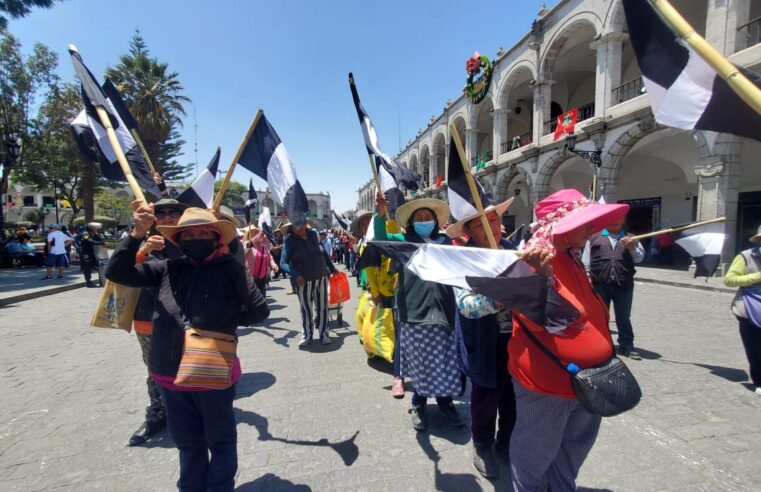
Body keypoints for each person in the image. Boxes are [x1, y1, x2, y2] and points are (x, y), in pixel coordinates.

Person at [106, 204, 270, 491]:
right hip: (169, 375)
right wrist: (136, 233)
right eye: (189, 233)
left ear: (216, 238)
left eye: (204, 232)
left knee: (220, 440)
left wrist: (223, 323)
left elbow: (258, 310)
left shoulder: (230, 267)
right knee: (188, 443)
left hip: (214, 372)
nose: (197, 237)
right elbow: (117, 272)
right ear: (179, 240)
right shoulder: (167, 269)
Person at [509, 189, 629, 491]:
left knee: (572, 450)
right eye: (583, 223)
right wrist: (535, 282)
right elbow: (540, 322)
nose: (591, 230)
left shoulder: (571, 258)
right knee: (534, 454)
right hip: (550, 384)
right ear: (559, 224)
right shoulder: (532, 262)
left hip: (588, 382)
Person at [374, 192, 463, 431]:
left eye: (428, 217)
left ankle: (446, 403)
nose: (424, 220)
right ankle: (419, 403)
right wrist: (380, 215)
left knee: (445, 361)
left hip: (444, 311)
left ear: (435, 221)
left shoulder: (445, 243)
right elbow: (380, 238)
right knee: (419, 361)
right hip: (413, 311)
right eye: (419, 217)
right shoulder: (403, 243)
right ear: (411, 223)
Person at [446, 197, 517, 479]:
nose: (493, 227)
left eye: (495, 219)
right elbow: (466, 305)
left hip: (519, 340)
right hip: (485, 342)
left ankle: (506, 443)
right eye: (482, 223)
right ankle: (483, 445)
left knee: (514, 398)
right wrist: (498, 300)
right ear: (468, 232)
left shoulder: (512, 249)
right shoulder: (462, 258)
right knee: (486, 397)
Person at [128, 199, 186, 446]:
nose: (167, 216)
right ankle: (157, 414)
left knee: (188, 369)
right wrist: (141, 248)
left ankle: (188, 413)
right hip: (147, 319)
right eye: (160, 212)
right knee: (154, 370)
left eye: (174, 211)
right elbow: (118, 271)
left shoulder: (190, 240)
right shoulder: (138, 240)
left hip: (184, 321)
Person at [582, 215, 645, 360]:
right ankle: (602, 345)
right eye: (612, 218)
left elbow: (639, 258)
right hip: (600, 283)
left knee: (623, 316)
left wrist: (632, 248)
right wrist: (587, 276)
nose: (616, 221)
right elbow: (586, 259)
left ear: (623, 220)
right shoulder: (594, 237)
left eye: (619, 218)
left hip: (623, 283)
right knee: (601, 316)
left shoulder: (632, 238)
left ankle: (627, 346)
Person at [280, 220, 338, 347]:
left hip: (321, 277)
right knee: (306, 309)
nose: (299, 227)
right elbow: (283, 262)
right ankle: (307, 335)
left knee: (322, 308)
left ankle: (324, 334)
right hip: (303, 281)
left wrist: (333, 269)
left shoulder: (313, 234)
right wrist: (296, 274)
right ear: (291, 229)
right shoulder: (290, 242)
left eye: (301, 224)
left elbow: (323, 253)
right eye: (296, 226)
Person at [724, 225, 761, 396]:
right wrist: (757, 277)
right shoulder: (746, 257)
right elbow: (730, 280)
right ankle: (759, 380)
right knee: (754, 348)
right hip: (749, 308)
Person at [244, 224, 279, 297]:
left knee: (262, 296)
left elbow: (270, 258)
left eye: (257, 232)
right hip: (250, 278)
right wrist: (252, 241)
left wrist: (273, 264)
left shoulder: (264, 247)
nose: (257, 235)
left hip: (262, 278)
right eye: (253, 232)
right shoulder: (247, 245)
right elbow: (244, 249)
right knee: (252, 297)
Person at [79, 223, 107, 287]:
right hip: (87, 254)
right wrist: (101, 243)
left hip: (95, 253)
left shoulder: (94, 234)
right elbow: (89, 241)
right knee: (87, 268)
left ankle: (102, 281)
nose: (96, 229)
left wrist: (101, 236)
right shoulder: (85, 234)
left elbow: (101, 239)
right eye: (95, 228)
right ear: (91, 228)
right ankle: (88, 282)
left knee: (98, 267)